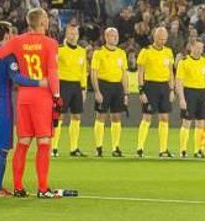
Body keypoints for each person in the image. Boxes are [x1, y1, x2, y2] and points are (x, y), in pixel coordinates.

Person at [0, 7, 75, 198]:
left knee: (23, 142)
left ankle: (18, 187)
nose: (48, 22)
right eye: (46, 19)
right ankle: (42, 188)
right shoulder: (50, 43)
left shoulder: (17, 41)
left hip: (23, 98)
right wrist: (56, 96)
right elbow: (52, 72)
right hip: (42, 98)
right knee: (44, 142)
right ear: (41, 23)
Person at [0, 21, 45, 195]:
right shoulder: (7, 55)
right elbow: (17, 78)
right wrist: (39, 82)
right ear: (6, 37)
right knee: (2, 149)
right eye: (11, 34)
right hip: (0, 108)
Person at [135, 26, 175, 158]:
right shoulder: (145, 52)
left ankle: (163, 149)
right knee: (147, 116)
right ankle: (140, 148)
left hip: (164, 86)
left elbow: (170, 72)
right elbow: (140, 72)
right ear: (154, 37)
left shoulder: (168, 52)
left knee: (164, 117)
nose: (162, 40)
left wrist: (172, 89)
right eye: (160, 38)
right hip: (150, 85)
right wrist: (141, 90)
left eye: (164, 38)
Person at [90, 26, 128, 157]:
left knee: (116, 117)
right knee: (101, 116)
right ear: (106, 37)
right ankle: (99, 146)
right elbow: (93, 73)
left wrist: (126, 93)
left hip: (117, 87)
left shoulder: (121, 53)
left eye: (116, 35)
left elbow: (124, 74)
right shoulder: (99, 53)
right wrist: (97, 91)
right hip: (103, 85)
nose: (115, 38)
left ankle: (115, 147)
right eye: (112, 35)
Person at [54, 21, 88, 158]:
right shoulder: (59, 49)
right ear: (66, 35)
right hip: (63, 84)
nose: (73, 36)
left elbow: (83, 70)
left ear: (78, 35)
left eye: (75, 34)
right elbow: (53, 69)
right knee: (59, 116)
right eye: (71, 33)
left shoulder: (82, 51)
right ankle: (54, 147)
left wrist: (84, 88)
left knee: (76, 116)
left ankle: (74, 148)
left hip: (76, 86)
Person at [176, 38, 205, 158]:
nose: (199, 50)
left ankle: (197, 150)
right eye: (197, 47)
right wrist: (181, 98)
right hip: (189, 92)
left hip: (201, 93)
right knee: (187, 122)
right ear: (191, 47)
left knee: (200, 123)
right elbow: (179, 82)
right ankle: (183, 150)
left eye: (201, 48)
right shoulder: (184, 62)